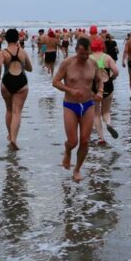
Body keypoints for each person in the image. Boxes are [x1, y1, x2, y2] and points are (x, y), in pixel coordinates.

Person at [54, 38, 103, 182]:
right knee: (73, 141)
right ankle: (67, 151)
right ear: (76, 50)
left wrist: (100, 92)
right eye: (81, 54)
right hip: (70, 105)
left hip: (88, 104)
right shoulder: (67, 63)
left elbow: (99, 80)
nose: (84, 57)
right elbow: (55, 81)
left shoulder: (93, 63)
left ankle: (77, 170)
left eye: (87, 54)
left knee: (85, 140)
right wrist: (70, 90)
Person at [0, 28, 33, 150]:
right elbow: (30, 68)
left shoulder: (2, 53)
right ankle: (14, 139)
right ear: (18, 38)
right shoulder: (22, 52)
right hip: (21, 81)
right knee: (17, 112)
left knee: (9, 110)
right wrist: (21, 65)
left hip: (7, 81)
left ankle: (10, 135)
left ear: (6, 39)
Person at [89, 39, 120, 145]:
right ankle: (108, 123)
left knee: (96, 114)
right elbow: (116, 71)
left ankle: (101, 138)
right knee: (106, 111)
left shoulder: (89, 58)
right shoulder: (107, 57)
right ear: (102, 47)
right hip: (108, 85)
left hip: (94, 88)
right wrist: (112, 78)